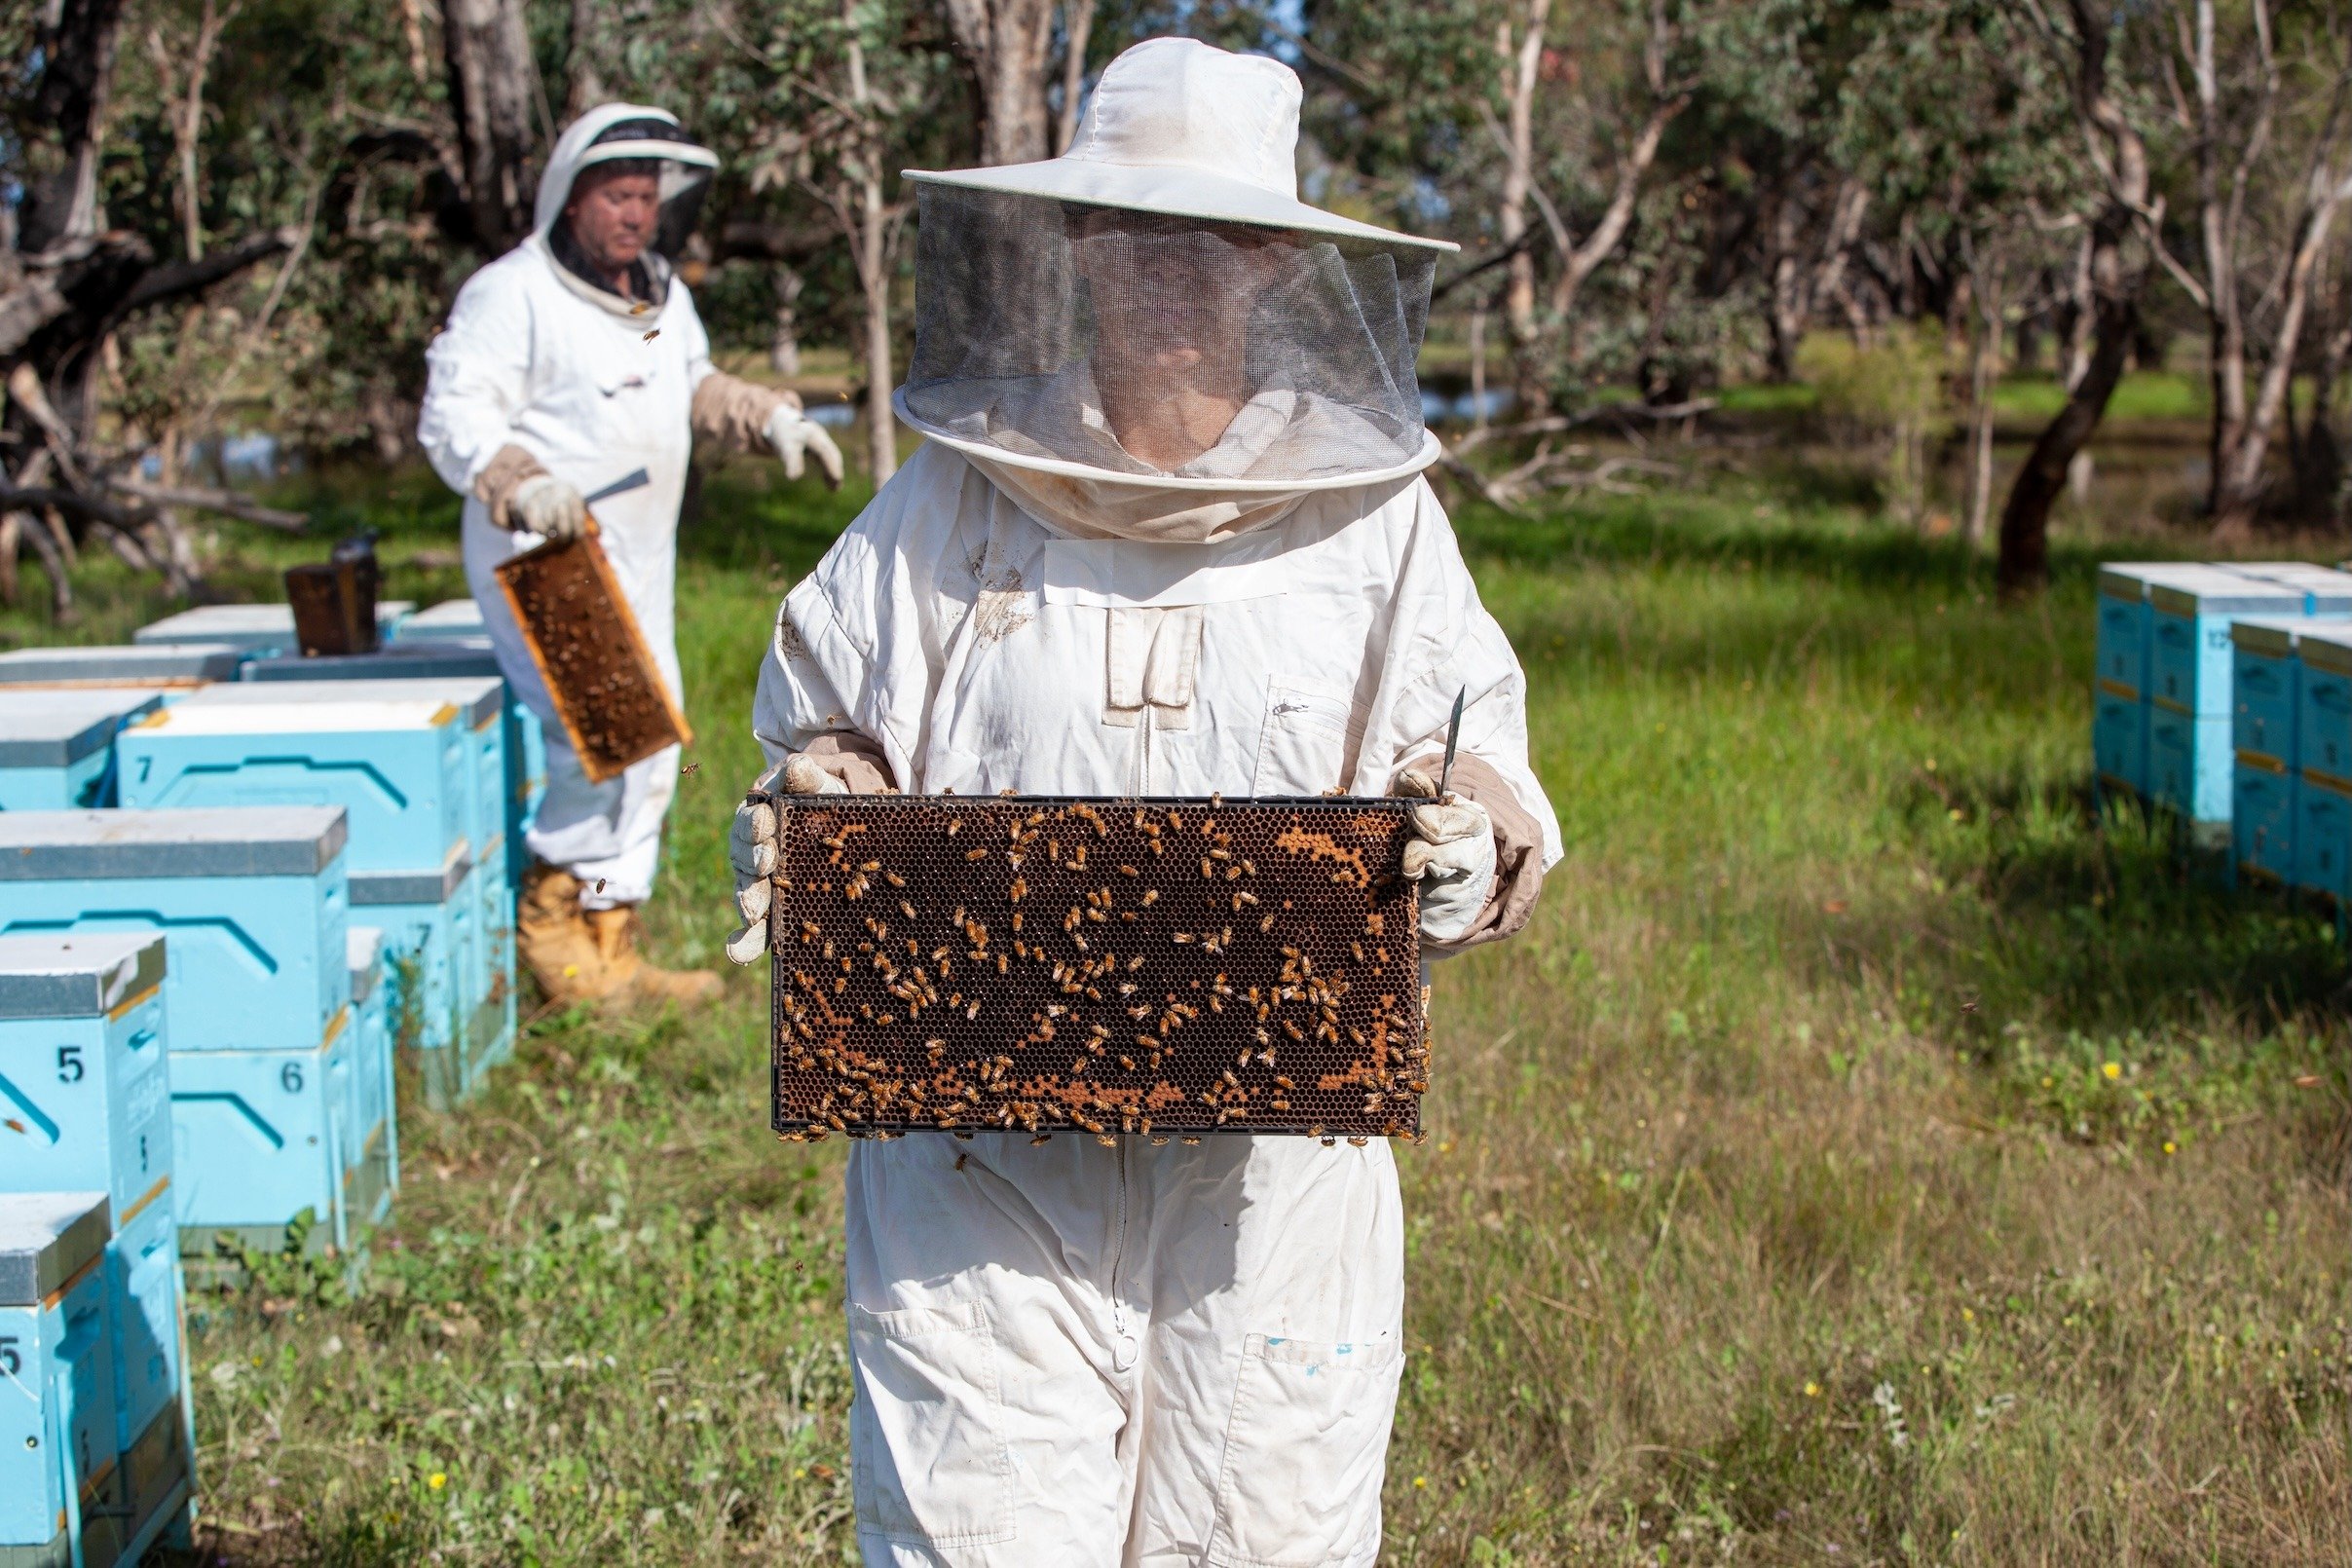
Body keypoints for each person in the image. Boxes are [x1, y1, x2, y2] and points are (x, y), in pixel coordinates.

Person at [728, 38, 1559, 1562]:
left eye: (1216, 240)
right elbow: (830, 726)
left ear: (1275, 264)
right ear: (1076, 245)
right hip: (976, 1173)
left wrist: (1472, 831)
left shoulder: (1372, 522)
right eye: (1137, 234)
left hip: (1269, 1188)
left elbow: (1478, 756)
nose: (1174, 273)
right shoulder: (945, 499)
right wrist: (818, 801)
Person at [420, 103, 843, 1007]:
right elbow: (455, 412)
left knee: (652, 752)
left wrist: (768, 417)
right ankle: (557, 949)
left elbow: (689, 380)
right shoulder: (511, 294)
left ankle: (611, 939)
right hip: (546, 558)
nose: (636, 214)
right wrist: (520, 481)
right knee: (606, 744)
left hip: (641, 560)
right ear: (572, 199)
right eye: (618, 196)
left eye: (647, 197)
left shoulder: (659, 292)